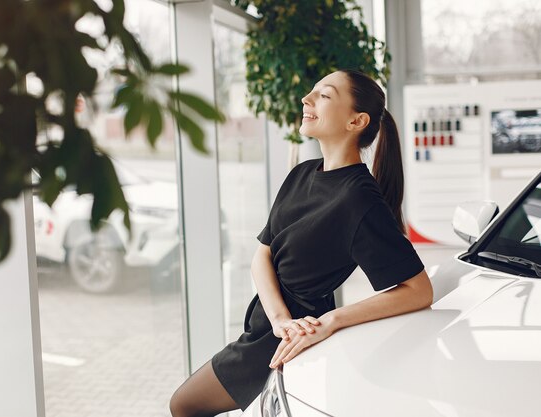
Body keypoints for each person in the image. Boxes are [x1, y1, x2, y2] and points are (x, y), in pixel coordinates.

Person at [169, 69, 434, 416]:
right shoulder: (302, 173)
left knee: (183, 404)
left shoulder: (360, 200)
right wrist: (279, 319)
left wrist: (332, 321)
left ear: (356, 121)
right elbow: (261, 254)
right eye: (311, 92)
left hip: (290, 338)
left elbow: (419, 289)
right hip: (273, 326)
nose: (306, 99)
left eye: (323, 95)